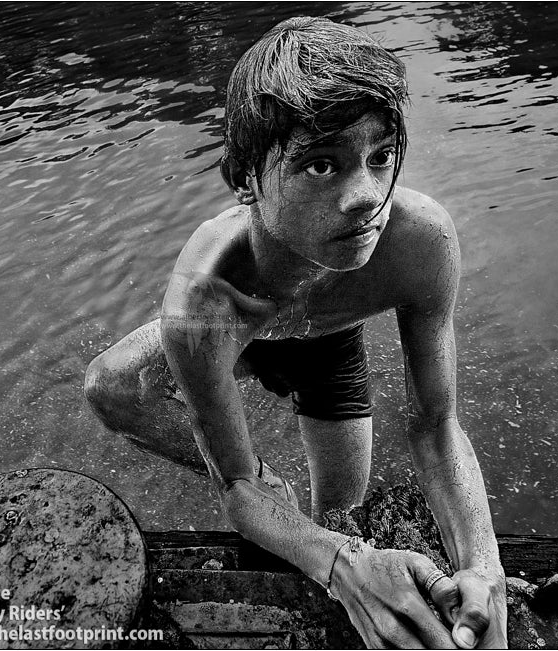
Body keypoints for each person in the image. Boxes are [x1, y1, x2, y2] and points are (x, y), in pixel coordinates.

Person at [85, 15, 507, 649]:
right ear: (245, 180)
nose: (366, 196)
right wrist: (275, 507)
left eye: (381, 157)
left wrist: (483, 568)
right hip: (246, 332)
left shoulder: (421, 240)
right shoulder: (205, 302)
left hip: (331, 343)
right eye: (320, 165)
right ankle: (269, 478)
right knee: (112, 387)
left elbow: (436, 423)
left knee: (339, 514)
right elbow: (237, 493)